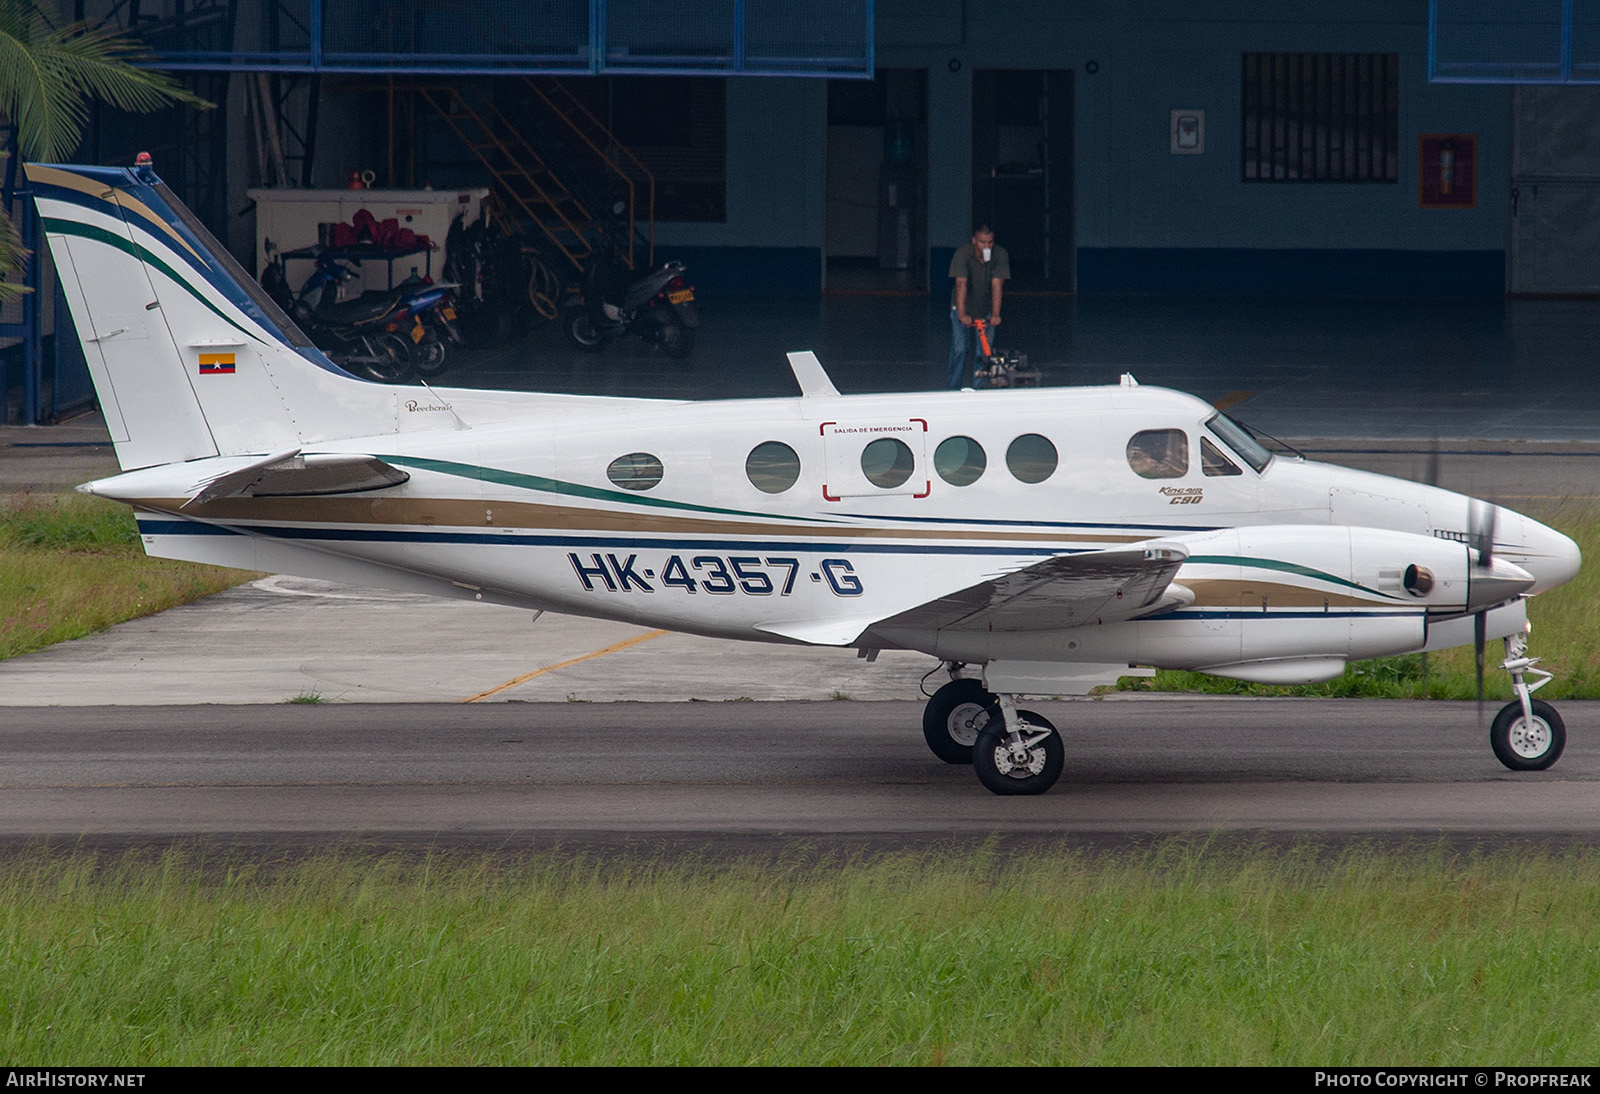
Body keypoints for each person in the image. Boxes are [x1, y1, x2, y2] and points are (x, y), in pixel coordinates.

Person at [947, 224, 1010, 389]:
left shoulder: (999, 254)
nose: (987, 246)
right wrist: (962, 313)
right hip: (962, 307)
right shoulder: (963, 254)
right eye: (983, 242)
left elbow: (998, 285)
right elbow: (961, 284)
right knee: (959, 348)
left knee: (984, 351)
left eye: (990, 242)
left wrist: (995, 314)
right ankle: (953, 387)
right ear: (974, 241)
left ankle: (979, 387)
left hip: (985, 309)